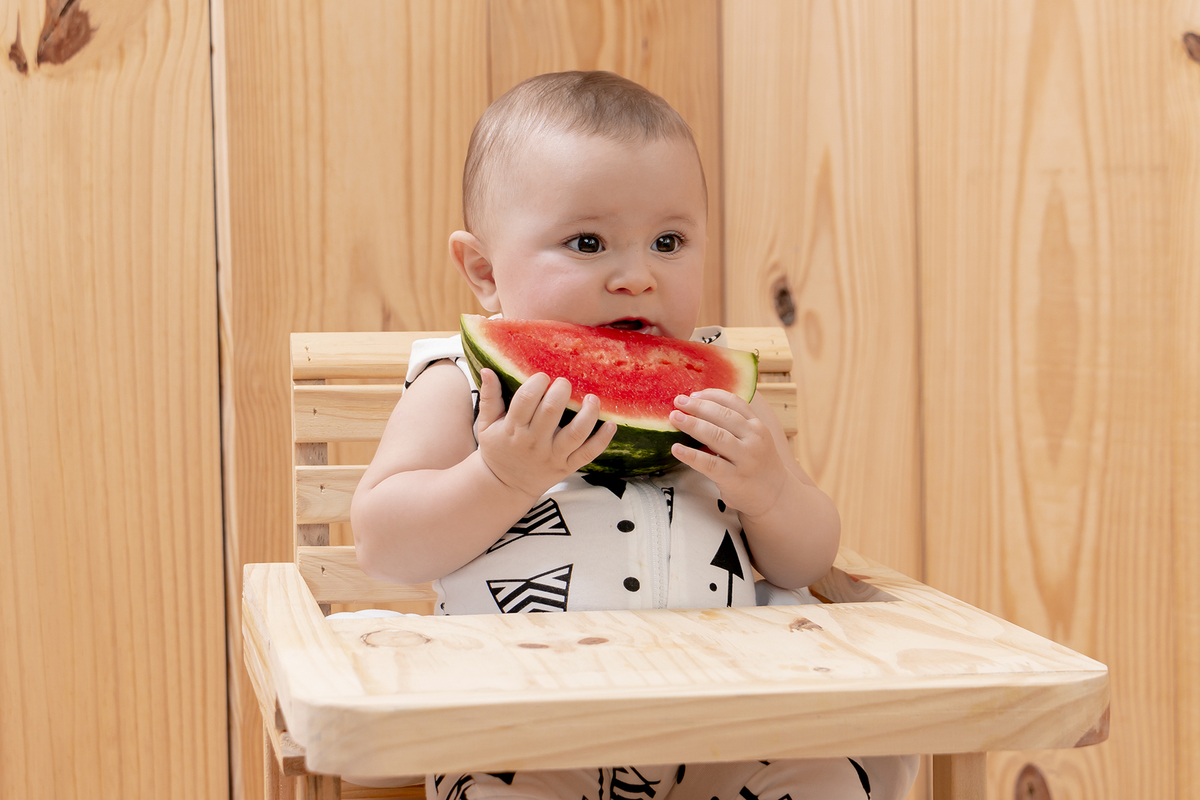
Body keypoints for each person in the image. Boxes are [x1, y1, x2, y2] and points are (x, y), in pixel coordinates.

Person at [351, 71, 916, 800]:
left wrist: (771, 494)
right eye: (587, 242)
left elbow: (805, 560)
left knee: (837, 766)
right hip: (524, 722)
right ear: (485, 271)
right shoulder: (464, 384)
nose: (637, 276)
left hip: (731, 720)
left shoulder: (720, 395)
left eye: (668, 241)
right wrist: (498, 478)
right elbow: (384, 545)